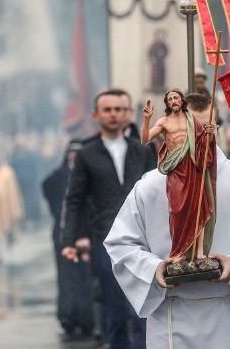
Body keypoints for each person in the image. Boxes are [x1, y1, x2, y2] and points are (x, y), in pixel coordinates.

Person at [104, 93, 230, 348]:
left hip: (226, 312)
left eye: (206, 129)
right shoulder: (150, 186)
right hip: (170, 310)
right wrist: (154, 268)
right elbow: (120, 243)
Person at [61, 89, 155, 349]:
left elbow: (159, 194)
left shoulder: (144, 151)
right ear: (96, 115)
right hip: (106, 239)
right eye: (108, 110)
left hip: (143, 239)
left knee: (141, 304)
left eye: (119, 109)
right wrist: (71, 239)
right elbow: (76, 199)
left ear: (127, 114)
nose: (114, 115)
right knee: (114, 306)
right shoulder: (87, 154)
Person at [140, 88, 216, 262]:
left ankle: (199, 253)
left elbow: (202, 143)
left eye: (176, 97)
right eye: (170, 99)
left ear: (182, 100)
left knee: (198, 208)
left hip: (193, 167)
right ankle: (178, 252)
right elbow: (145, 139)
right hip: (176, 170)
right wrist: (146, 119)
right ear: (167, 103)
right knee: (177, 210)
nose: (174, 101)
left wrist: (210, 134)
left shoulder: (193, 120)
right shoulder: (164, 122)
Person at [42, 139, 94, 338]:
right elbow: (47, 188)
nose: (74, 156)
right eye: (72, 152)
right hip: (63, 233)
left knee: (86, 275)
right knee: (66, 276)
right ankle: (68, 316)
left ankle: (87, 318)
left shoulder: (90, 175)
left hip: (85, 233)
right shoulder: (57, 178)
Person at [9, 135, 43, 227]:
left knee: (31, 201)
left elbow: (35, 168)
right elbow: (11, 169)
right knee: (21, 202)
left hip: (30, 183)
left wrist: (36, 180)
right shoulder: (13, 156)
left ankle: (33, 219)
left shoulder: (30, 155)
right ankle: (23, 220)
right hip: (19, 184)